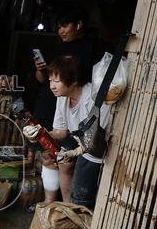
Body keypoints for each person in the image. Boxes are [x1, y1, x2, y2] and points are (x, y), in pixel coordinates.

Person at [34, 55, 112, 209]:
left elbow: (93, 142)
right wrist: (40, 133)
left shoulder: (94, 99)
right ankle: (68, 209)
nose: (52, 86)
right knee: (63, 164)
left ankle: (79, 214)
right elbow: (60, 132)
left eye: (57, 81)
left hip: (99, 151)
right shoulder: (63, 97)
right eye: (50, 81)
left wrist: (71, 153)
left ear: (74, 80)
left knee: (84, 196)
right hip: (82, 142)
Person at [32, 4, 105, 129]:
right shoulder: (56, 49)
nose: (60, 31)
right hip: (47, 105)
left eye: (65, 26)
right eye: (59, 27)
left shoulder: (94, 48)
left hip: (74, 109)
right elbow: (42, 80)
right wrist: (39, 70)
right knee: (41, 140)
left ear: (78, 25)